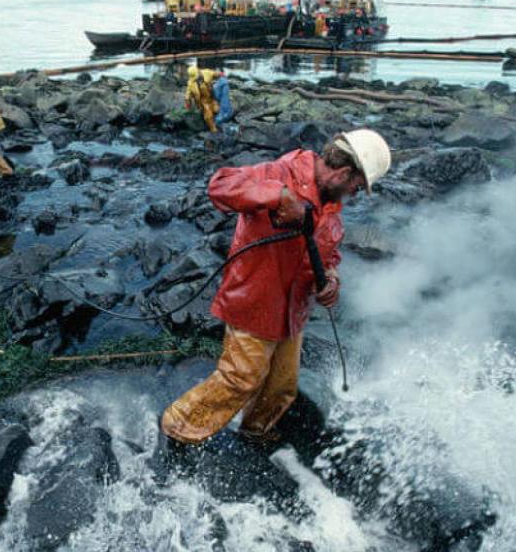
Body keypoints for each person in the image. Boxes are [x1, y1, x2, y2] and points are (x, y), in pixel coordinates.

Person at [160, 129, 392, 447]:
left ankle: (255, 431)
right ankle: (178, 429)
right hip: (254, 301)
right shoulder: (282, 172)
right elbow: (220, 186)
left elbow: (330, 256)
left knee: (282, 386)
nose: (355, 193)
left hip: (292, 312)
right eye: (357, 185)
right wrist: (280, 196)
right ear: (344, 172)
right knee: (241, 379)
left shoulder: (332, 209)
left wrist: (331, 281)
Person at [184, 65, 219, 133]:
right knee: (208, 115)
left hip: (212, 97)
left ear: (198, 71)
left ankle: (216, 115)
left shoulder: (207, 72)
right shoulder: (190, 83)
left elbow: (216, 74)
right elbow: (188, 94)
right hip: (202, 101)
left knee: (216, 110)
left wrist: (221, 75)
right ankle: (213, 129)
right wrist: (188, 103)